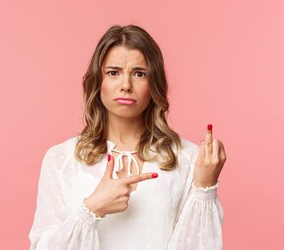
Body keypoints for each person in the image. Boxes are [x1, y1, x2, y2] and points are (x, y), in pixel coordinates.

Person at [28, 24, 227, 250]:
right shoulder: (62, 159)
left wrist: (205, 187)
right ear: (97, 81)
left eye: (139, 74)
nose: (126, 86)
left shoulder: (188, 158)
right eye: (113, 73)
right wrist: (92, 209)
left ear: (154, 84)